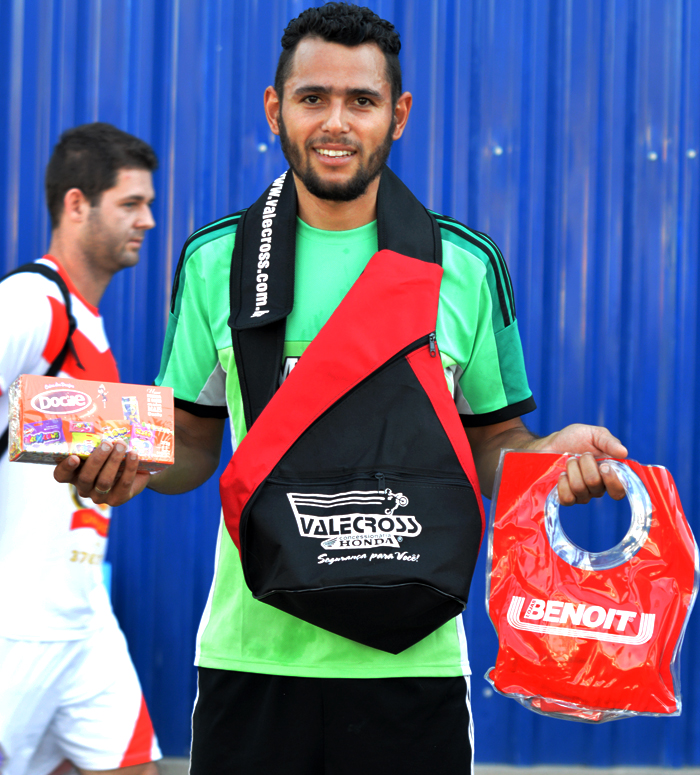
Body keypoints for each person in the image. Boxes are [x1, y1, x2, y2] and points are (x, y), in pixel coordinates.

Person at [55, 6, 628, 774]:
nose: (336, 122)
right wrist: (133, 469)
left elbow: (495, 444)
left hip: (410, 665)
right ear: (274, 107)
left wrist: (548, 460)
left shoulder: (462, 264)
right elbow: (191, 441)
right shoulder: (215, 261)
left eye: (361, 100)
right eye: (312, 97)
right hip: (251, 655)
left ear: (399, 115)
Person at [0, 123, 161, 775]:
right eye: (131, 203)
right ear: (76, 204)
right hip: (16, 627)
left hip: (83, 618)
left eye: (148, 203)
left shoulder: (88, 326)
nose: (149, 220)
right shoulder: (27, 305)